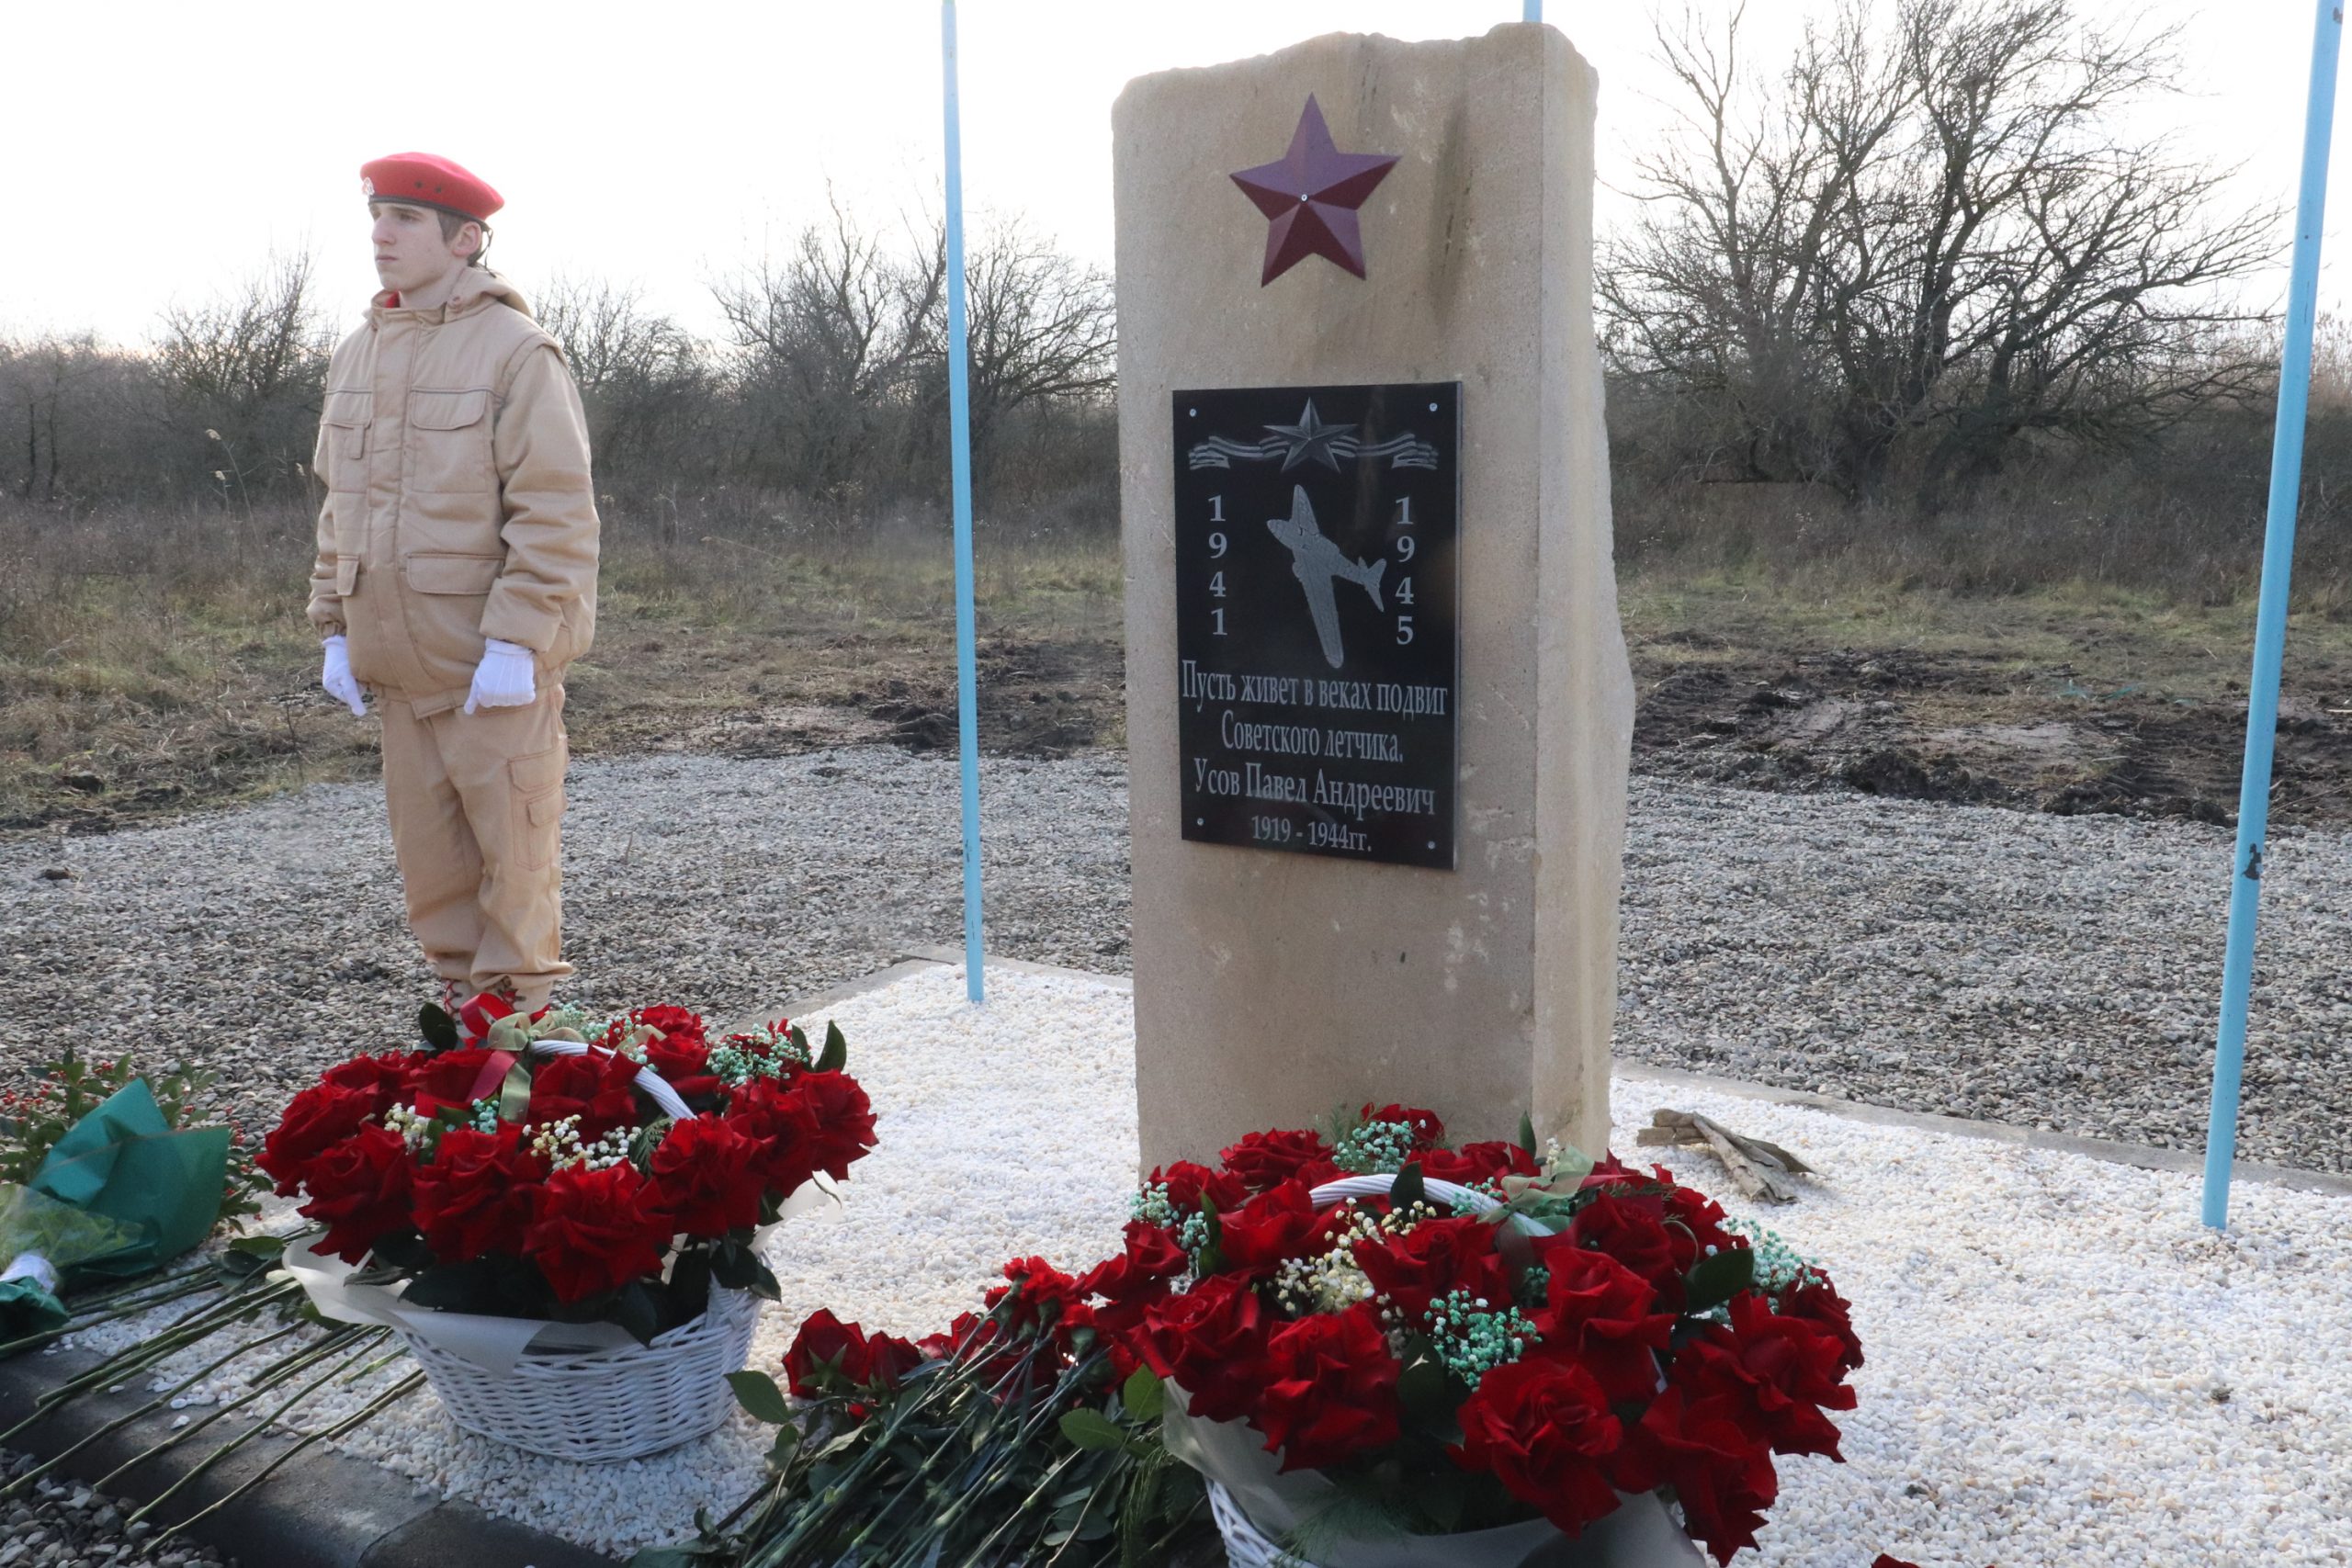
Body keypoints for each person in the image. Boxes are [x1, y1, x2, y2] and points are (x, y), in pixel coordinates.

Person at [306, 152, 600, 1015]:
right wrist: (334, 625)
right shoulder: (356, 353)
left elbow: (555, 510)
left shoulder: (517, 351)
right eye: (377, 216)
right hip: (401, 678)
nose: (381, 234)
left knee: (515, 877)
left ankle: (525, 1056)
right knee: (436, 886)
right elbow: (339, 504)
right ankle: (467, 1055)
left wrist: (519, 638)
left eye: (404, 218)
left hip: (490, 673)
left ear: (466, 239)